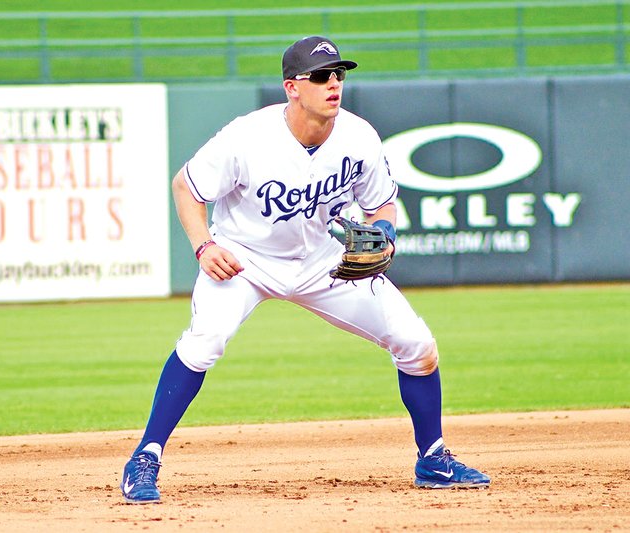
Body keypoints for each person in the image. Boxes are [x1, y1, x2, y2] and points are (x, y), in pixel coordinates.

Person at [120, 35, 490, 504]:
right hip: (246, 259)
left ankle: (433, 458)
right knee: (204, 342)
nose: (333, 84)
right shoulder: (246, 137)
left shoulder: (359, 136)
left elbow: (382, 206)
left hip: (324, 264)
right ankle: (145, 456)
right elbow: (186, 187)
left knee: (417, 345)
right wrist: (203, 246)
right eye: (321, 76)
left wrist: (387, 235)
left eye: (339, 74)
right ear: (292, 87)